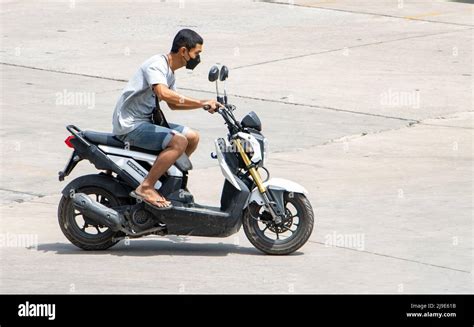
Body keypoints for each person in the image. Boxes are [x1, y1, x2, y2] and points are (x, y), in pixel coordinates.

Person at [112, 29, 221, 209]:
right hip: (130, 125)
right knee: (178, 141)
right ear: (184, 51)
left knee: (192, 137)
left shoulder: (169, 71)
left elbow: (174, 104)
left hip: (146, 121)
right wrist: (201, 102)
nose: (198, 59)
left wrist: (203, 105)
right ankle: (146, 186)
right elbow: (163, 93)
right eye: (197, 53)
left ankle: (171, 182)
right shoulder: (157, 65)